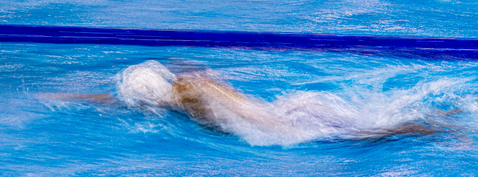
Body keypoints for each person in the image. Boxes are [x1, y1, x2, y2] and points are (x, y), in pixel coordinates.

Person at [49, 61, 451, 143]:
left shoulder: (186, 100)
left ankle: (444, 129)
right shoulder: (190, 85)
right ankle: (446, 117)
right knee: (378, 121)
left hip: (285, 126)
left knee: (372, 134)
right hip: (295, 105)